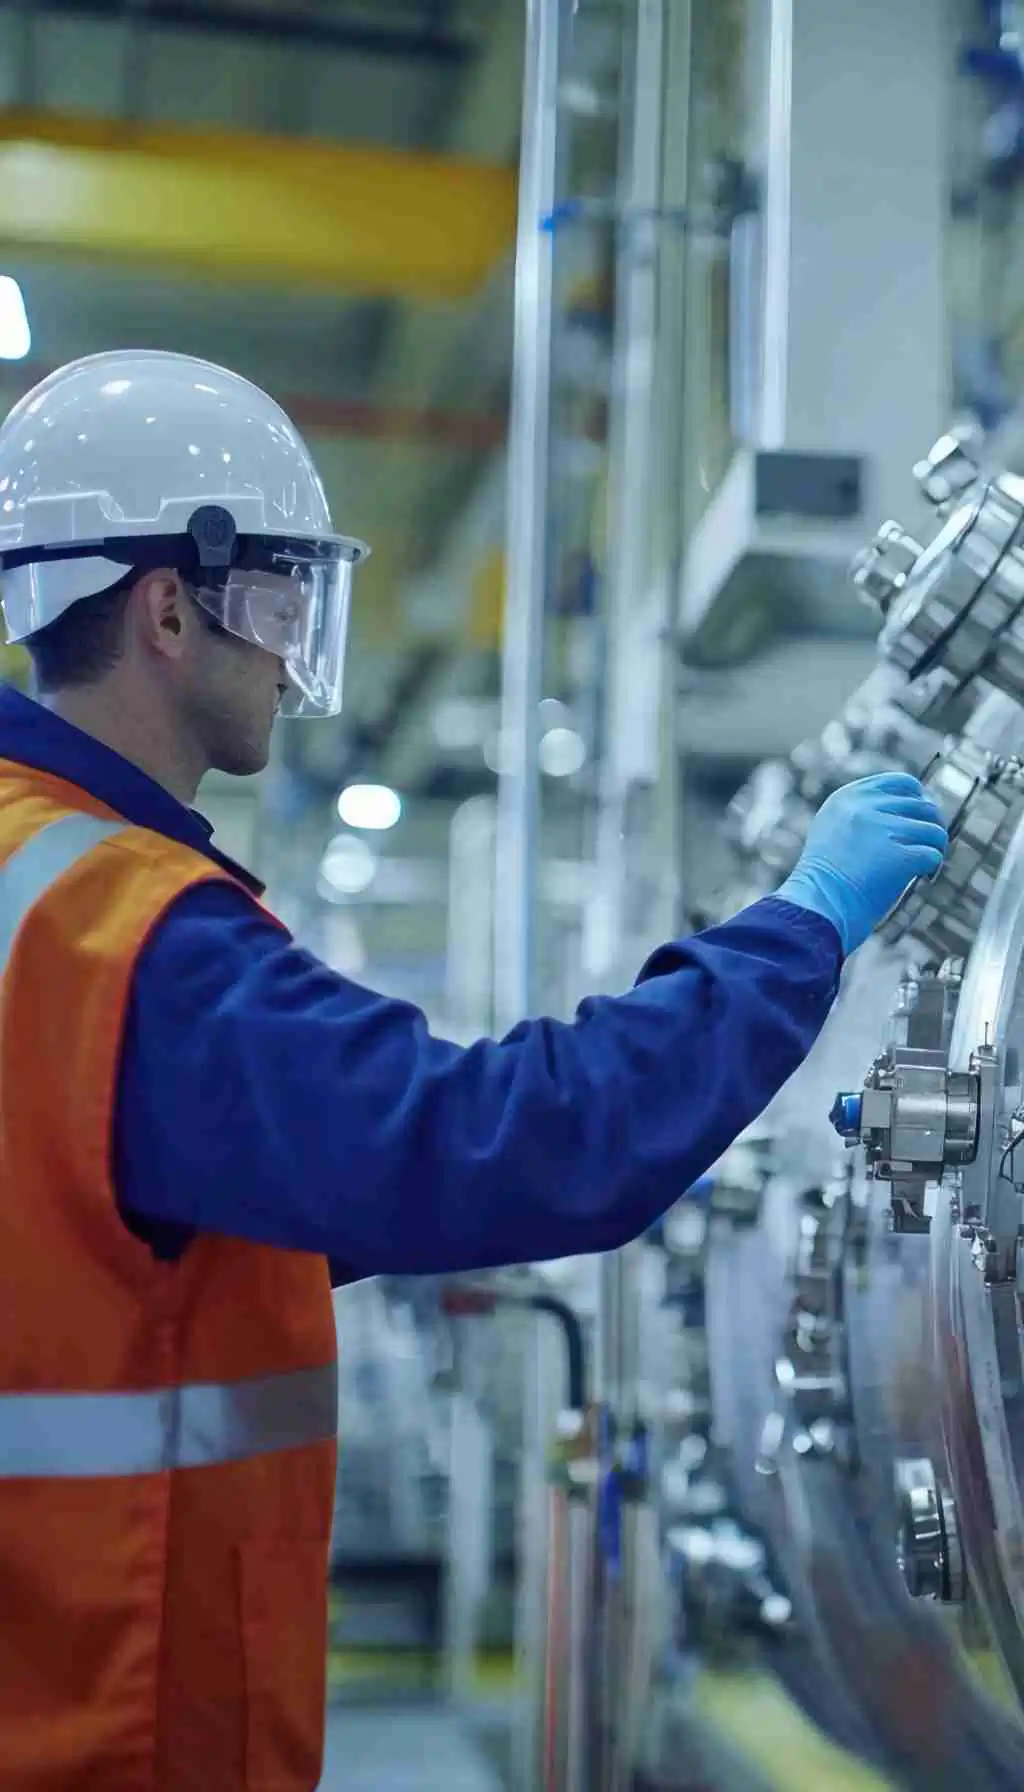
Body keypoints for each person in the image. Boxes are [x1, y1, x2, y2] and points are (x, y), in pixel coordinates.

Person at [0, 350, 947, 1791]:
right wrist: (800, 929)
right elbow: (500, 1138)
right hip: (102, 1717)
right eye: (272, 595)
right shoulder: (130, 935)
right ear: (169, 607)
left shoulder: (32, 877)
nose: (292, 646)